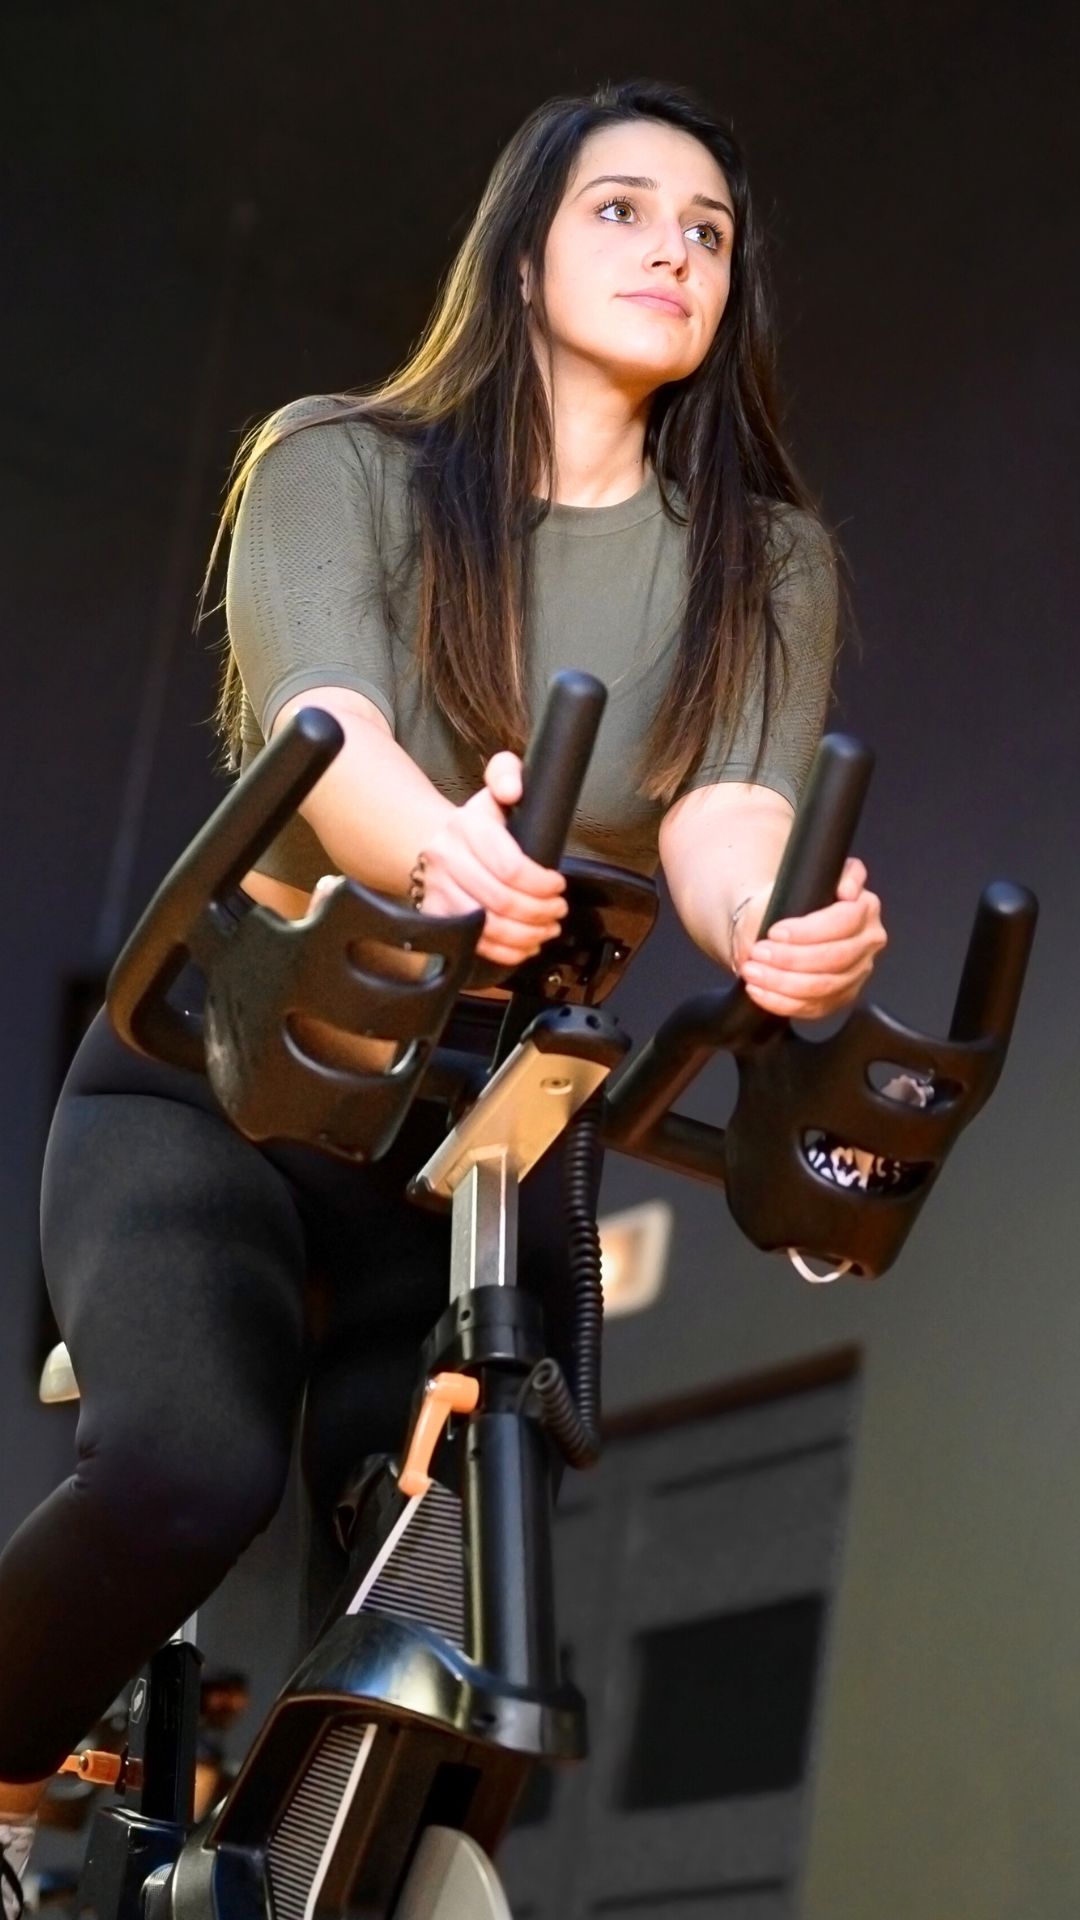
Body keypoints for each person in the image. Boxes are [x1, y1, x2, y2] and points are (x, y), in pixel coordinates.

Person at [0, 77, 886, 1912]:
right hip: (227, 1073)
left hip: (473, 1128)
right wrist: (440, 856)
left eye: (708, 232)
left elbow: (726, 814)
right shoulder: (343, 462)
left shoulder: (764, 560)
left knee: (459, 1584)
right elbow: (330, 728)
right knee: (186, 1472)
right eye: (622, 209)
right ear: (525, 250)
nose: (673, 250)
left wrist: (778, 927)